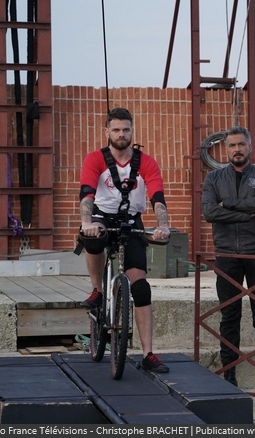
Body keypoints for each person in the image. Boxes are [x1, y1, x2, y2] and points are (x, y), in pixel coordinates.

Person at [78, 107, 171, 373]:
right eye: (116, 129)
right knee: (92, 238)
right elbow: (86, 193)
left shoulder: (146, 162)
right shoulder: (95, 159)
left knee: (141, 288)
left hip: (132, 221)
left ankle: (148, 354)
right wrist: (87, 223)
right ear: (107, 132)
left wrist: (162, 226)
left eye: (126, 129)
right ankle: (97, 289)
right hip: (102, 217)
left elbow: (157, 197)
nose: (121, 134)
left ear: (132, 131)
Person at [201, 125, 255, 396]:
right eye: (232, 145)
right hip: (226, 255)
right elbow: (210, 212)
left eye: (241, 145)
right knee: (229, 316)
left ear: (250, 147)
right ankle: (229, 376)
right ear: (226, 149)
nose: (237, 149)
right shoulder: (214, 178)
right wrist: (247, 211)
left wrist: (229, 205)